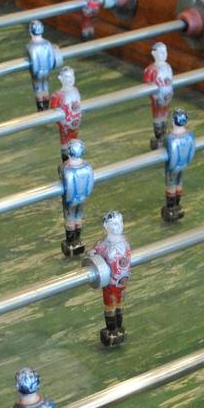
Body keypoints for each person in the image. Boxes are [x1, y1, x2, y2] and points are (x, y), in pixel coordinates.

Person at [88, 211, 131, 347]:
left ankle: (118, 327)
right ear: (106, 226)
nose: (118, 226)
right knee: (110, 305)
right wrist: (92, 253)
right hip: (110, 283)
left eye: (120, 222)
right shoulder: (103, 245)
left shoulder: (124, 242)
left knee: (119, 304)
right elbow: (94, 252)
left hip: (121, 282)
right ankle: (112, 329)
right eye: (113, 223)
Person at [60, 139, 94, 257]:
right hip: (82, 197)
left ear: (69, 152)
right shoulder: (87, 167)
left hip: (71, 199)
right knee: (78, 216)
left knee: (70, 218)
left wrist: (69, 200)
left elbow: (69, 186)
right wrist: (85, 195)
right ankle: (77, 240)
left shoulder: (66, 169)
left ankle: (71, 242)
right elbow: (90, 184)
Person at [161, 109, 195, 223]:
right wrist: (186, 163)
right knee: (179, 182)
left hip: (173, 167)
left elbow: (174, 154)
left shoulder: (170, 138)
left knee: (171, 184)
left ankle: (171, 207)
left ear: (173, 121)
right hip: (184, 164)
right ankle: (177, 204)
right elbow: (192, 151)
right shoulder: (190, 135)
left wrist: (172, 166)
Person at [142, 42, 174, 151]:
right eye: (161, 52)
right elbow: (148, 86)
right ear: (154, 54)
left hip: (167, 96)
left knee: (165, 115)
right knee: (158, 116)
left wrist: (170, 94)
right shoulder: (150, 70)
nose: (164, 54)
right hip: (158, 99)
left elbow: (170, 82)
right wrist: (156, 97)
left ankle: (163, 135)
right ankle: (159, 137)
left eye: (165, 52)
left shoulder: (168, 67)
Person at [26, 20, 63, 111]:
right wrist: (49, 68)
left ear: (31, 32)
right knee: (45, 88)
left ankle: (41, 108)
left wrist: (34, 72)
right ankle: (46, 106)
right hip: (46, 70)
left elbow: (34, 60)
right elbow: (51, 59)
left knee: (38, 90)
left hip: (37, 72)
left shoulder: (30, 46)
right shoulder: (47, 43)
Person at [50, 66, 83, 162]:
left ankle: (75, 160)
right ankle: (66, 163)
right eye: (67, 77)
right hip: (65, 127)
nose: (71, 79)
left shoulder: (76, 90)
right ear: (61, 78)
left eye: (72, 76)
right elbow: (54, 111)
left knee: (75, 144)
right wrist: (62, 125)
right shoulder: (58, 95)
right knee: (65, 146)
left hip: (75, 125)